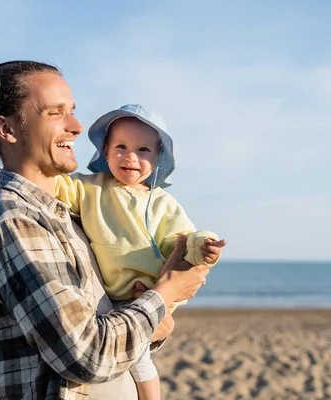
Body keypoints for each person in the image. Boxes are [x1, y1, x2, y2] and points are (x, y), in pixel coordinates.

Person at [0, 60, 211, 400]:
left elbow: (104, 322)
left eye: (72, 111)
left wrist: (153, 320)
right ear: (8, 129)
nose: (76, 126)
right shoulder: (15, 223)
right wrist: (165, 294)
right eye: (55, 112)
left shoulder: (67, 214)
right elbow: (87, 355)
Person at [54, 104, 226, 400]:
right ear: (105, 151)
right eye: (121, 146)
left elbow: (181, 239)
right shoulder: (90, 189)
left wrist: (205, 246)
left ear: (159, 158)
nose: (131, 157)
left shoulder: (161, 203)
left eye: (143, 150)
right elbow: (55, 185)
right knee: (125, 359)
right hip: (111, 300)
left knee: (141, 362)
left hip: (151, 292)